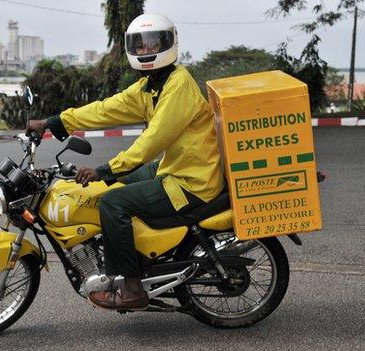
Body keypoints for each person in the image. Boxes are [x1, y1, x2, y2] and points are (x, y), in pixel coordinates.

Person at [27, 13, 223, 310]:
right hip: (176, 167)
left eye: (153, 43)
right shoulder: (151, 85)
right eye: (139, 45)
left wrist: (104, 170)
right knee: (113, 188)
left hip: (191, 182)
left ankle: (132, 288)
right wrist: (56, 122)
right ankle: (139, 257)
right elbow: (107, 109)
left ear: (169, 43)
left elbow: (152, 141)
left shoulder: (178, 85)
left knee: (113, 203)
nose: (146, 50)